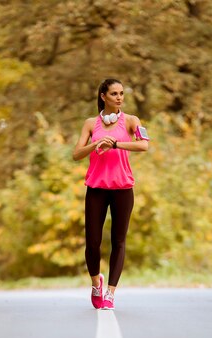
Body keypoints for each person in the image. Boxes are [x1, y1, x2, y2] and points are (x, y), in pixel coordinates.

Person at [73, 78, 149, 310]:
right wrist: (95, 146)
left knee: (119, 241)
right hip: (96, 188)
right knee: (92, 243)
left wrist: (115, 144)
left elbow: (143, 145)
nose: (119, 97)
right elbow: (76, 154)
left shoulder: (131, 121)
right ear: (103, 96)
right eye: (114, 93)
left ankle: (110, 293)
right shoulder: (90, 124)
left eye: (122, 93)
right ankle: (96, 284)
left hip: (123, 189)